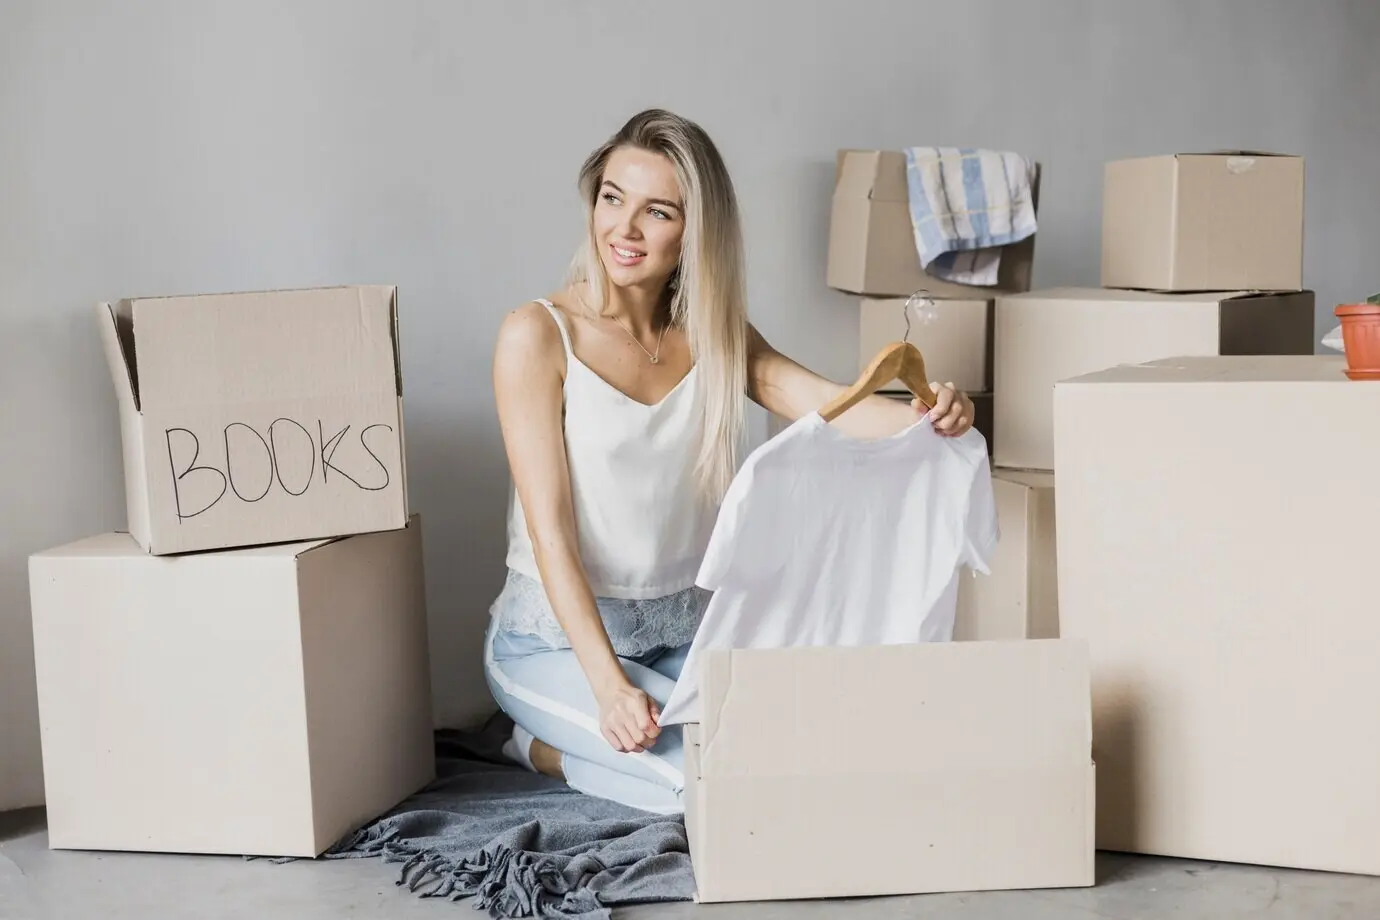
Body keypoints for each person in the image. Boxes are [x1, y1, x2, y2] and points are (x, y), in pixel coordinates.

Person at [483, 108, 976, 815]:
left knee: (791, 756)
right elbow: (550, 535)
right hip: (552, 649)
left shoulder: (713, 336)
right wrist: (609, 687)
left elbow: (829, 402)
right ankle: (546, 741)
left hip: (684, 642)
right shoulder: (535, 335)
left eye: (656, 212)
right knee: (713, 787)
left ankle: (549, 749)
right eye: (612, 198)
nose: (623, 229)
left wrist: (930, 417)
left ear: (692, 234)